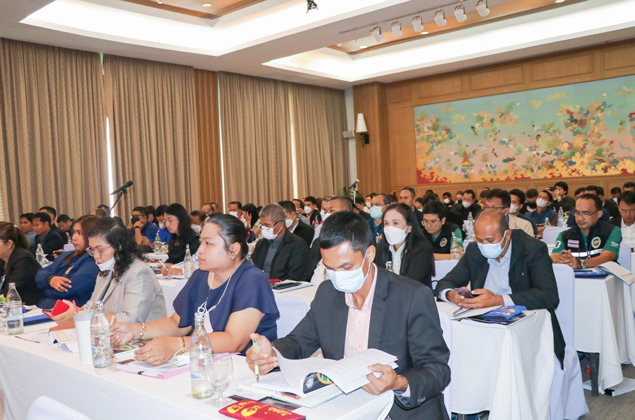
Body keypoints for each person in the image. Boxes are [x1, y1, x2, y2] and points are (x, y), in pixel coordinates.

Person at [246, 212, 451, 419]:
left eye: (346, 267)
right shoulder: (328, 293)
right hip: (345, 406)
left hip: (399, 410)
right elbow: (298, 342)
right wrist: (271, 355)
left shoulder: (410, 297)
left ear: (369, 254)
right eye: (330, 268)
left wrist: (399, 383)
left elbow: (437, 369)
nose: (338, 276)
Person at [110, 214, 279, 363]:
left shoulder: (251, 280)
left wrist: (178, 345)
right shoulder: (201, 275)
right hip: (204, 360)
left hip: (245, 367)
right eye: (201, 242)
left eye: (209, 243)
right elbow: (177, 323)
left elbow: (234, 341)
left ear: (234, 249)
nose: (200, 250)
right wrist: (135, 330)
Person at [435, 209, 565, 366]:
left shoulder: (532, 249)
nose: (484, 246)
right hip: (484, 329)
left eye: (490, 240)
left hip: (527, 330)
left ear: (507, 235)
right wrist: (452, 295)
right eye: (479, 240)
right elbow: (444, 283)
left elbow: (549, 296)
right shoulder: (475, 250)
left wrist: (499, 300)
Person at [52, 217, 166, 325]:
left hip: (143, 337)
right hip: (110, 334)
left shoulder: (139, 272)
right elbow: (92, 306)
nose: (96, 256)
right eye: (92, 250)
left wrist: (82, 316)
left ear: (119, 246)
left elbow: (132, 319)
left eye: (101, 250)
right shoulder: (106, 270)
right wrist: (75, 311)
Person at [35, 215, 100, 309]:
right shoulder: (67, 255)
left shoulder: (93, 261)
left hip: (70, 309)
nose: (73, 237)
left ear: (92, 235)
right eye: (74, 232)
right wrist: (50, 279)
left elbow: (67, 289)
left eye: (79, 233)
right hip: (45, 306)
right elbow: (40, 273)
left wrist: (42, 289)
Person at [552, 194, 622, 268]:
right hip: (574, 275)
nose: (580, 218)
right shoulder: (565, 235)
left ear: (598, 214)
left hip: (605, 274)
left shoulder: (612, 231)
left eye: (586, 213)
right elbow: (554, 257)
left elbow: (606, 258)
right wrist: (562, 259)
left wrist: (581, 263)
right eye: (577, 213)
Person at [374, 203, 434, 288]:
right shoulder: (381, 248)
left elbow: (412, 283)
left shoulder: (422, 249)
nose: (390, 228)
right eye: (386, 223)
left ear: (409, 227)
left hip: (413, 294)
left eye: (395, 223)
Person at [251, 204, 309, 281]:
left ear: (280, 225)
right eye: (262, 225)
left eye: (267, 225)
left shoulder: (297, 244)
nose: (264, 229)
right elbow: (253, 268)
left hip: (282, 286)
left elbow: (295, 277)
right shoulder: (261, 243)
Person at [0, 222, 42, 305]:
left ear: (9, 244)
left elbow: (11, 292)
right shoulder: (3, 258)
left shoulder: (23, 258)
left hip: (30, 306)